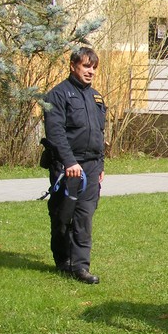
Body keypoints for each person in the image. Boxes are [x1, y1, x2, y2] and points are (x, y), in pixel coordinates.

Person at [41, 46, 106, 285]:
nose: (91, 71)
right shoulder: (57, 95)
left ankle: (80, 266)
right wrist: (69, 162)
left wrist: (100, 165)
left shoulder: (96, 97)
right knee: (62, 216)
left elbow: (99, 134)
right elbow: (55, 133)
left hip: (91, 167)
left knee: (84, 216)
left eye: (94, 67)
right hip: (67, 166)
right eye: (86, 66)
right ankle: (63, 260)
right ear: (73, 66)